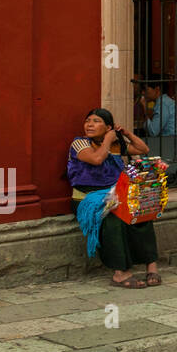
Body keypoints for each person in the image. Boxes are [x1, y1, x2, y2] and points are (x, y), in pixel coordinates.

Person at [68, 108, 161, 288]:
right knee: (113, 218)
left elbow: (143, 148)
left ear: (109, 127)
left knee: (141, 211)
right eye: (88, 121)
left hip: (115, 196)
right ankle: (120, 273)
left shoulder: (118, 145)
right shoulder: (79, 144)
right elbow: (96, 159)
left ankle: (151, 265)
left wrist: (126, 133)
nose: (90, 125)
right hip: (88, 199)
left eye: (96, 121)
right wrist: (108, 141)